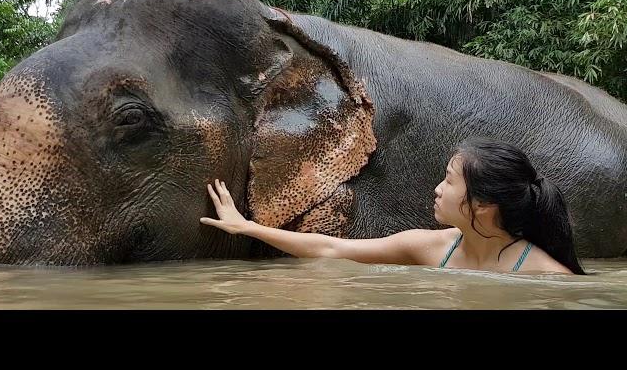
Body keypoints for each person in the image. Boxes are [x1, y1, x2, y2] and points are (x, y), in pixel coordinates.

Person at [201, 137, 586, 275]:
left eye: (449, 181)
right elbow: (332, 248)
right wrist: (246, 227)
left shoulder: (545, 276)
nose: (437, 190)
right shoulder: (429, 247)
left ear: (482, 203)